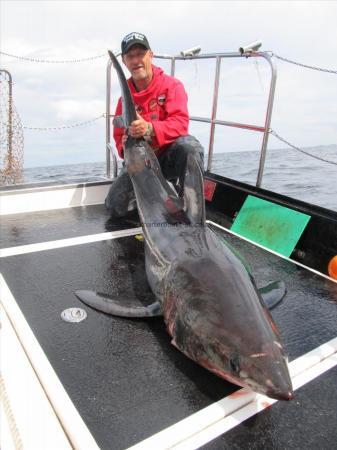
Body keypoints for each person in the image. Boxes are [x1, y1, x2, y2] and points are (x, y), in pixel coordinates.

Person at [105, 32, 204, 219]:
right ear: (124, 61)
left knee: (189, 148)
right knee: (115, 205)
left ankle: (193, 211)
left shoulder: (172, 86)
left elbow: (180, 123)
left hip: (168, 156)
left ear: (150, 55)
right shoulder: (122, 102)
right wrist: (125, 144)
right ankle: (159, 207)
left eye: (140, 54)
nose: (136, 61)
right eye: (130, 56)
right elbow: (119, 141)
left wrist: (149, 128)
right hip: (142, 164)